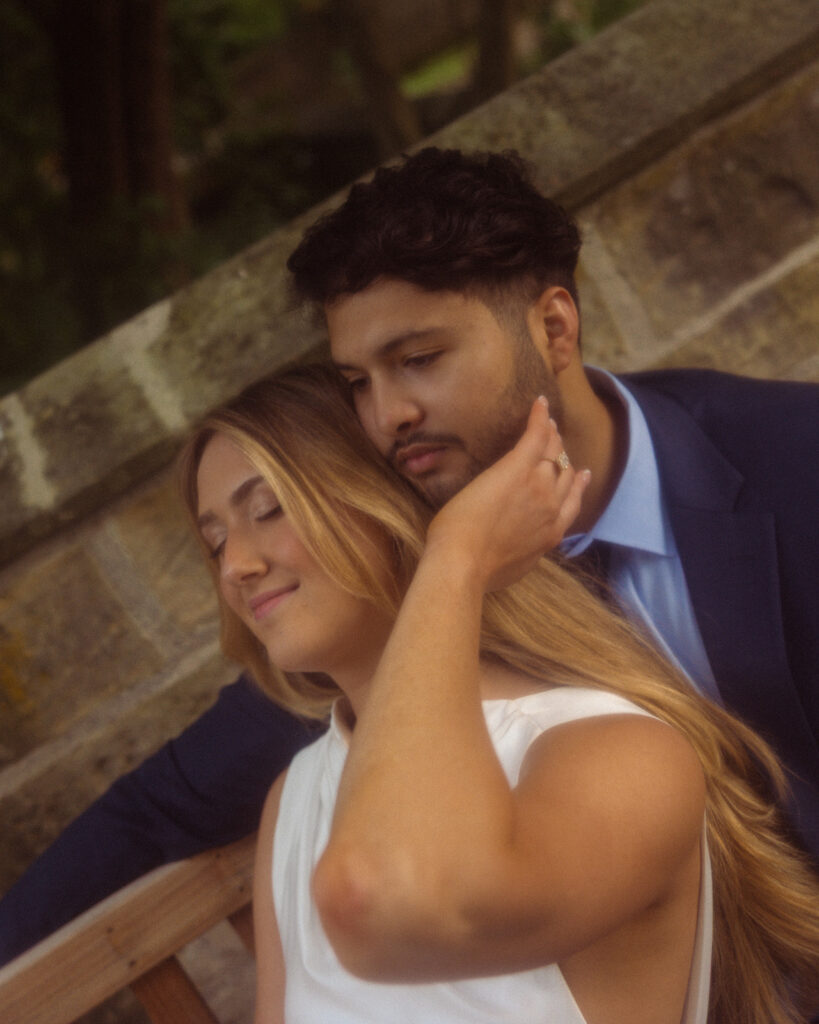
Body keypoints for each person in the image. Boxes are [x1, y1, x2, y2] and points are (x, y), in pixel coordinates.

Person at [1, 147, 817, 963]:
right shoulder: (397, 579)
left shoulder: (792, 456)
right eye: (358, 381)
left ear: (553, 329)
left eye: (418, 360)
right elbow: (158, 811)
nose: (386, 415)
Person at [181, 364, 818, 1024]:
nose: (235, 567)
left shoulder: (613, 752)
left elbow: (377, 896)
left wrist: (456, 560)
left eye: (267, 510)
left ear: (386, 501)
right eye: (215, 543)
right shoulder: (293, 798)